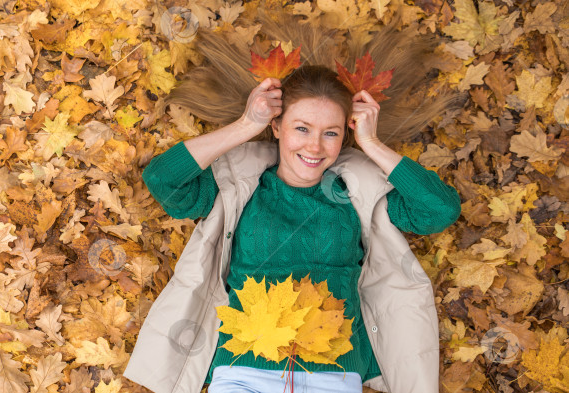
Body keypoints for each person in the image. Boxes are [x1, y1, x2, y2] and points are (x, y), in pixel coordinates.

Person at [123, 12, 464, 393]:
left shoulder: (355, 194)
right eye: (301, 128)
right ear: (277, 127)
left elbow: (440, 210)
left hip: (334, 373)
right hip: (244, 371)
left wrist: (372, 144)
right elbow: (161, 179)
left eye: (330, 133)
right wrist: (245, 125)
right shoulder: (239, 189)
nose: (314, 146)